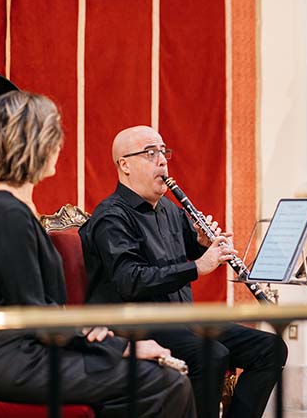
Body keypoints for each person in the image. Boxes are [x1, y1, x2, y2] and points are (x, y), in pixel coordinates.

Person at [0, 91, 194, 418]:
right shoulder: (6, 213)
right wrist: (125, 347)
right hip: (10, 362)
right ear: (34, 146)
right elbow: (36, 315)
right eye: (54, 138)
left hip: (25, 353)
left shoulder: (9, 207)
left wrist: (89, 330)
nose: (58, 147)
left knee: (164, 380)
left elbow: (39, 308)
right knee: (164, 382)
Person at [80, 125, 288, 418]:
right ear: (124, 165)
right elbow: (130, 280)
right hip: (134, 323)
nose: (162, 160)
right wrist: (198, 266)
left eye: (163, 152)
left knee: (270, 348)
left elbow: (190, 250)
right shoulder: (111, 217)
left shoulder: (168, 209)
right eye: (150, 153)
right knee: (212, 355)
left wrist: (204, 244)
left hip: (180, 319)